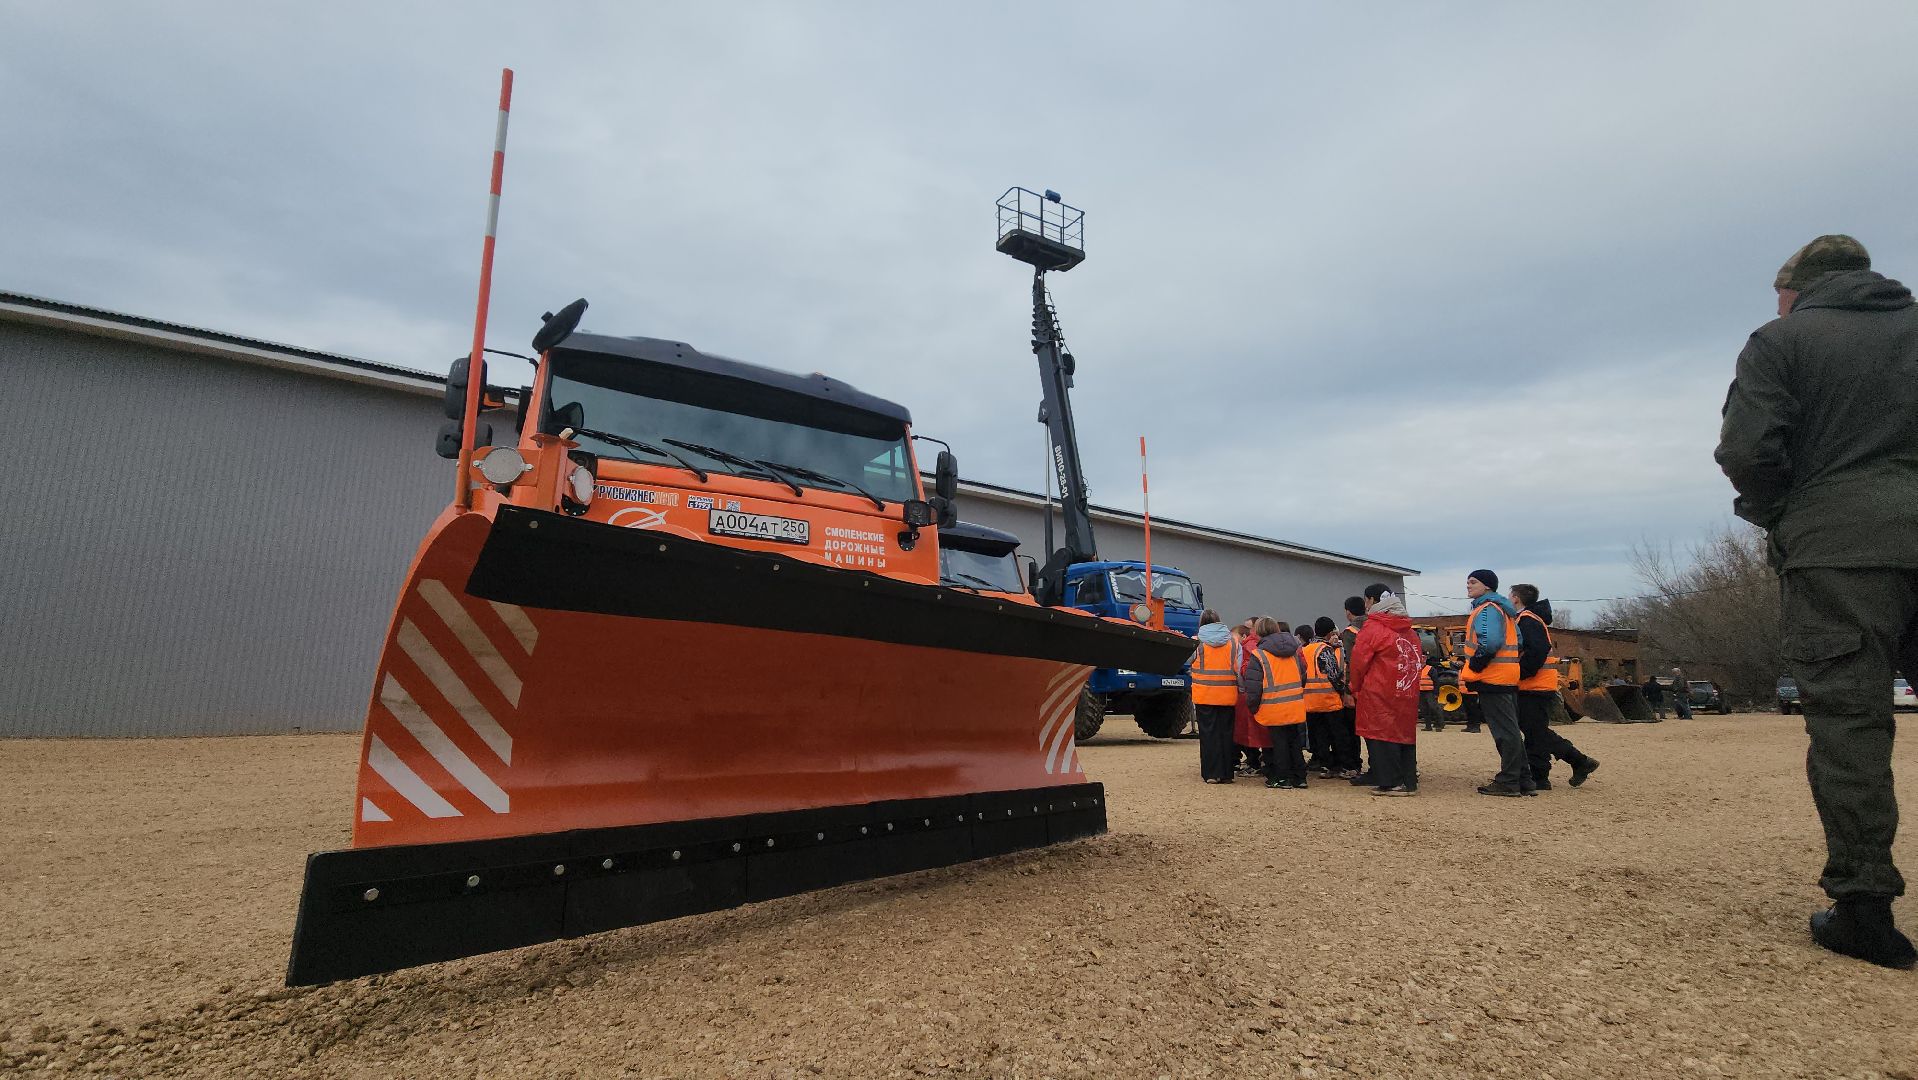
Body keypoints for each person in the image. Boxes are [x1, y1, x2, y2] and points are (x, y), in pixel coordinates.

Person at [1716, 233, 1918, 969]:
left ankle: (1865, 910)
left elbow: (1747, 450)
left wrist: (1787, 515)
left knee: (1851, 727)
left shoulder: (1782, 341)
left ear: (1796, 288)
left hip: (1839, 552)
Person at [1510, 584, 1600, 790]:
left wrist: (1520, 673)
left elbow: (1537, 651)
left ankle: (1545, 775)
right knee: (1536, 730)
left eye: (1510, 595)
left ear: (1516, 598)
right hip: (1537, 684)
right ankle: (1576, 762)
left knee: (1535, 732)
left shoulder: (1527, 621)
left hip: (1534, 685)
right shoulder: (1531, 619)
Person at [1460, 570, 1532, 796]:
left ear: (1487, 587)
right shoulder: (1505, 611)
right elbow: (1519, 642)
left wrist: (1476, 665)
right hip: (1507, 676)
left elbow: (1489, 642)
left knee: (1504, 732)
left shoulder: (1486, 609)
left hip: (1493, 678)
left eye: (1473, 582)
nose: (1468, 586)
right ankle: (1523, 780)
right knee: (1510, 730)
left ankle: (1509, 781)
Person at [1350, 585, 1420, 795]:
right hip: (1406, 688)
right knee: (1403, 734)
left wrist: (1354, 686)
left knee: (1380, 735)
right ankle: (1408, 779)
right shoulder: (1408, 630)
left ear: (1371, 601)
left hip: (1379, 688)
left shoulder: (1373, 628)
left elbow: (1358, 661)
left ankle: (1390, 781)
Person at [1237, 618, 1309, 789]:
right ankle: (1300, 777)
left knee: (1279, 744)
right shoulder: (1293, 651)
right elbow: (1303, 675)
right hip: (1295, 704)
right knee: (1294, 741)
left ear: (1258, 632)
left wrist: (1253, 706)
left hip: (1272, 706)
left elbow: (1254, 686)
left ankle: (1282, 777)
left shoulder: (1259, 654)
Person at [1190, 608, 1241, 784]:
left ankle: (1211, 773)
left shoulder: (1196, 642)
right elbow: (1239, 668)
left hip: (1204, 695)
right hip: (1228, 694)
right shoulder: (1234, 642)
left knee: (1208, 735)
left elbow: (1186, 663)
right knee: (1226, 734)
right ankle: (1227, 773)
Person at [1301, 618, 1350, 779]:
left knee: (1319, 737)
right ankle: (1342, 766)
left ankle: (1325, 763)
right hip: (1329, 700)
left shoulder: (1306, 649)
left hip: (1310, 701)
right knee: (1338, 736)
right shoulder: (1325, 650)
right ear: (1330, 633)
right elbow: (1334, 674)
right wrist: (1343, 690)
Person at [1230, 620, 1268, 776]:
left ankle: (1254, 761)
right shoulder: (1255, 644)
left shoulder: (1247, 647)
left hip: (1246, 694)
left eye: (1234, 636)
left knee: (1247, 732)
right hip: (1254, 694)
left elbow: (1244, 671)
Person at [1418, 661, 1443, 731]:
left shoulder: (1430, 669)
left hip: (1430, 692)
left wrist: (1436, 693)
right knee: (1424, 710)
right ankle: (1428, 726)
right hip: (1421, 692)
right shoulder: (1417, 669)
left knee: (1434, 708)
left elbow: (1436, 682)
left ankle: (1439, 725)